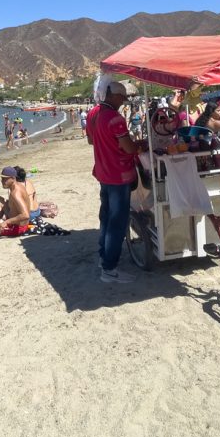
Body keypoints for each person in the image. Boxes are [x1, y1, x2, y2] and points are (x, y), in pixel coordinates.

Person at [87, 79, 141, 284]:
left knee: (106, 217)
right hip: (118, 174)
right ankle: (109, 268)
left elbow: (91, 140)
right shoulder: (115, 118)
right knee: (117, 222)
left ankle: (104, 257)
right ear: (113, 96)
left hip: (103, 172)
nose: (123, 102)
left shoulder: (94, 113)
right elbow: (128, 148)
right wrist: (138, 146)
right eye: (122, 98)